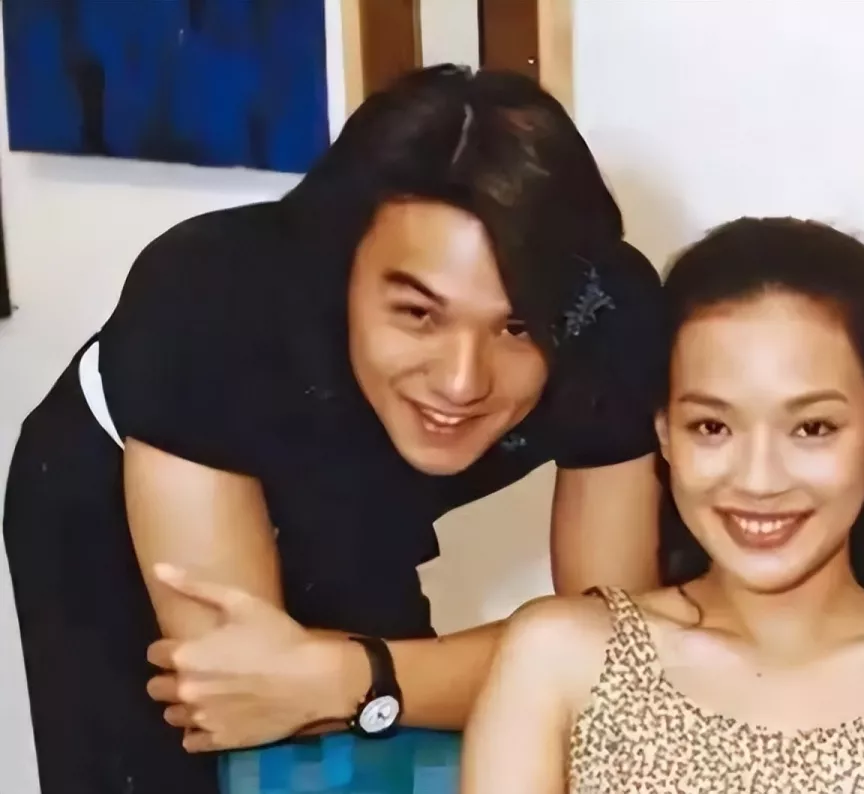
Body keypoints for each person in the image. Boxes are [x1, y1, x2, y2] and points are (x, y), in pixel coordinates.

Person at [2, 65, 667, 794]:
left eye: (517, 326)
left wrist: (358, 675)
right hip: (121, 491)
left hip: (354, 491)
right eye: (418, 313)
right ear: (342, 264)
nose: (462, 383)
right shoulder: (207, 296)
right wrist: (371, 680)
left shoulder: (609, 313)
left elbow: (620, 654)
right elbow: (232, 683)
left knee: (389, 751)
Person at [460, 217, 864, 793]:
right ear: (666, 434)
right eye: (712, 426)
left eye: (812, 428)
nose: (759, 479)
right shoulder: (562, 658)